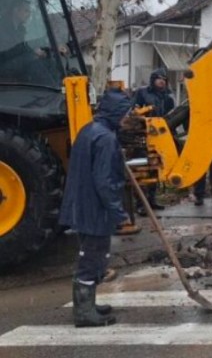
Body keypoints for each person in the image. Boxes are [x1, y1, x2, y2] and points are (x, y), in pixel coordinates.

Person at [58, 89, 132, 327]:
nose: (127, 118)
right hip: (94, 209)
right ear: (115, 113)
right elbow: (105, 181)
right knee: (92, 258)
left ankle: (88, 304)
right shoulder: (106, 139)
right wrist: (118, 213)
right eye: (125, 113)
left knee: (91, 255)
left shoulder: (89, 131)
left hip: (81, 204)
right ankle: (83, 313)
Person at [133, 68, 175, 215]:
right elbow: (133, 112)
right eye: (159, 78)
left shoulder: (168, 97)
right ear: (153, 80)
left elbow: (170, 116)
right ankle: (140, 203)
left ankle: (152, 200)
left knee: (155, 169)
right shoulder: (142, 93)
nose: (162, 81)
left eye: (164, 79)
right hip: (143, 136)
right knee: (143, 171)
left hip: (160, 138)